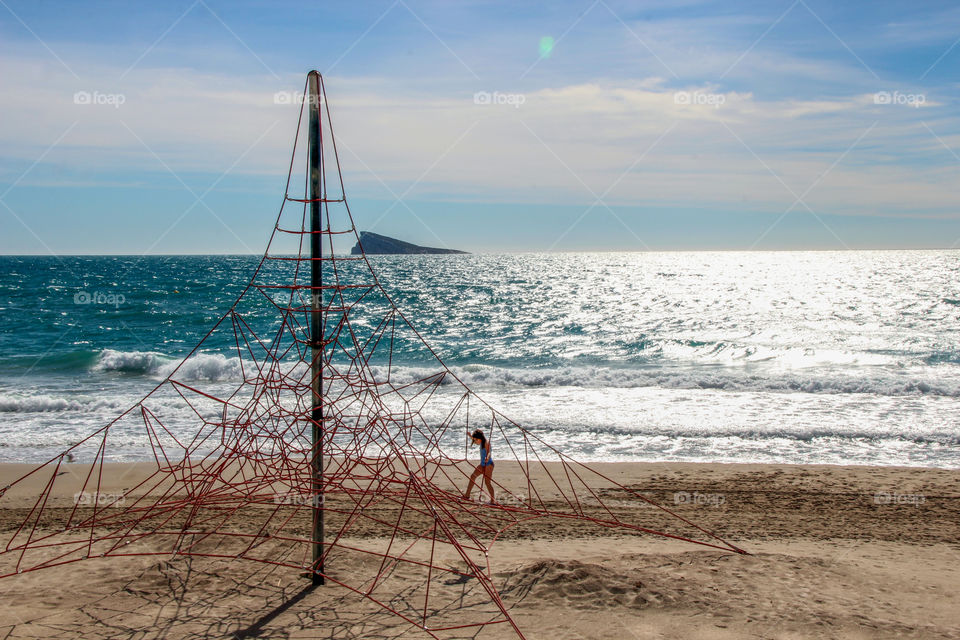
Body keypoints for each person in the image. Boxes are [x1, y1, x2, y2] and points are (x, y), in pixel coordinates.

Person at [462, 429, 495, 504]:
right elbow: (475, 441)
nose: (475, 441)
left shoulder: (486, 442)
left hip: (488, 465)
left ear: (480, 438)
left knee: (487, 483)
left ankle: (493, 500)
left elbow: (489, 451)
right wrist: (470, 436)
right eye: (475, 439)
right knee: (472, 476)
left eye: (476, 439)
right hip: (482, 464)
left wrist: (487, 457)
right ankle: (467, 495)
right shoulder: (480, 441)